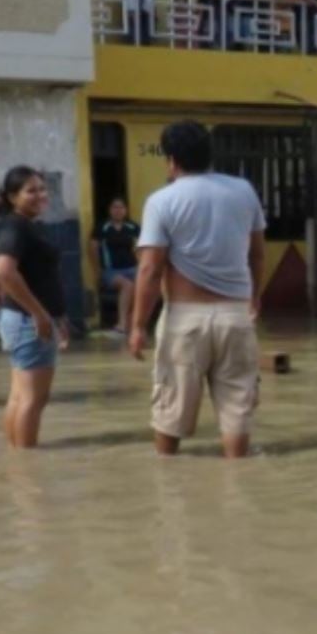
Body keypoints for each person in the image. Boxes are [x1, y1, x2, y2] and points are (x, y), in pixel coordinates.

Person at [129, 121, 267, 460]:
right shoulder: (244, 191)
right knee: (237, 411)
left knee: (171, 411)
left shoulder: (162, 201)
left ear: (171, 160)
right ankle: (237, 478)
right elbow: (257, 254)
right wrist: (255, 298)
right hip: (236, 316)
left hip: (184, 319)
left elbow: (150, 269)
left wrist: (137, 326)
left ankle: (168, 482)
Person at [0, 167, 68, 449]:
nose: (40, 195)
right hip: (29, 322)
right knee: (33, 399)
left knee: (20, 396)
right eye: (31, 191)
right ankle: (26, 461)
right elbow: (4, 271)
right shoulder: (17, 226)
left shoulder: (20, 224)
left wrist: (55, 316)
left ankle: (17, 457)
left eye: (42, 189)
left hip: (21, 319)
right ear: (13, 197)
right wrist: (39, 314)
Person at [98, 197, 141, 335]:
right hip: (111, 271)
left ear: (126, 210)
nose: (118, 210)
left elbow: (140, 248)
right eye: (115, 207)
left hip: (132, 268)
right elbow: (93, 248)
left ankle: (134, 321)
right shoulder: (103, 228)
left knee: (144, 284)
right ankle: (122, 324)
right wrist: (98, 270)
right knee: (127, 286)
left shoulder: (133, 227)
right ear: (110, 210)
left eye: (121, 207)